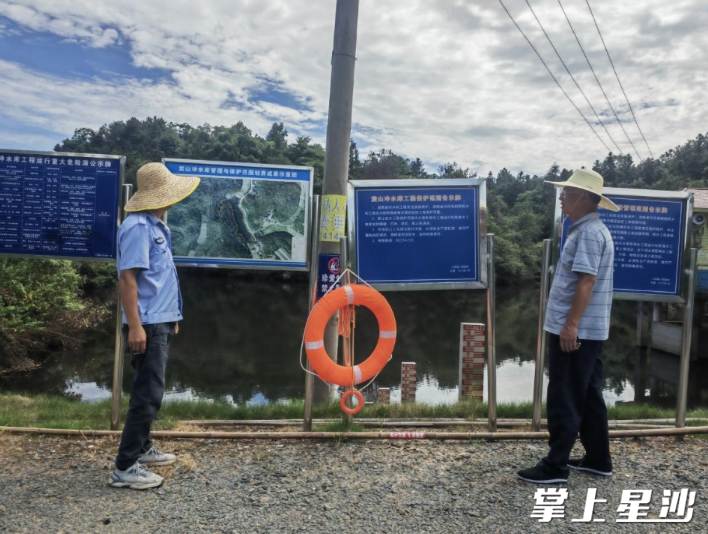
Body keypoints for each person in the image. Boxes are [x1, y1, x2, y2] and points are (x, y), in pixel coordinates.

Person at [518, 168, 619, 484]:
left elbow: (586, 281)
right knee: (588, 393)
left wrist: (570, 326)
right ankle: (598, 459)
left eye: (568, 192)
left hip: (577, 331)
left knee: (564, 394)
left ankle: (555, 466)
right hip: (589, 330)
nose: (561, 196)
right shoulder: (587, 229)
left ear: (586, 198)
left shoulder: (588, 234)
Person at [109, 162, 199, 490]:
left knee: (151, 389)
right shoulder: (136, 227)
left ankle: (142, 448)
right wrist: (135, 327)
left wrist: (171, 317)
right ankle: (124, 466)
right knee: (147, 394)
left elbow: (159, 280)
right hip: (145, 324)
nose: (172, 200)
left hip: (158, 321)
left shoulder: (157, 225)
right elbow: (128, 280)